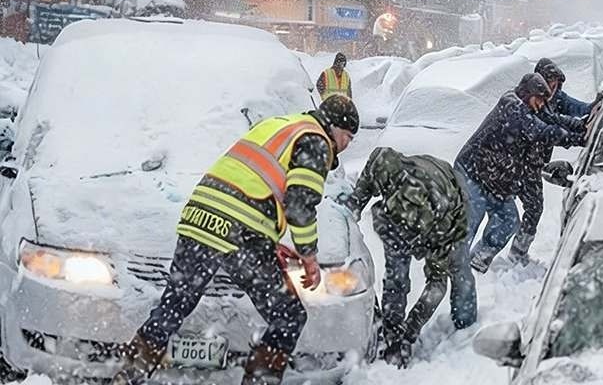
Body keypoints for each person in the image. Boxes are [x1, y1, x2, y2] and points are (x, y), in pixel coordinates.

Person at [112, 96, 360, 385]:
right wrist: (309, 257)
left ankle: (127, 377)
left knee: (175, 304)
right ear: (334, 128)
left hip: (199, 219)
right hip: (239, 233)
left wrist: (268, 239)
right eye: (347, 137)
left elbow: (254, 182)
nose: (345, 145)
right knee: (289, 316)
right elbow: (299, 206)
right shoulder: (316, 141)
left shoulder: (281, 125)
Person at [339, 147, 474, 367]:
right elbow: (377, 156)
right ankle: (391, 332)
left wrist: (409, 334)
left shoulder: (442, 229)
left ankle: (465, 328)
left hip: (453, 196)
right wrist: (355, 204)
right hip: (416, 196)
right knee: (396, 277)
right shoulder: (388, 169)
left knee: (459, 271)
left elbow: (436, 285)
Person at [453, 74, 586, 273]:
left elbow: (551, 119)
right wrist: (577, 140)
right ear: (528, 93)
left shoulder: (527, 108)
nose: (541, 105)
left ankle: (478, 261)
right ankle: (453, 267)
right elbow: (541, 131)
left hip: (495, 178)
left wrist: (581, 128)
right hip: (472, 172)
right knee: (471, 219)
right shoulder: (511, 106)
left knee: (509, 220)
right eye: (539, 99)